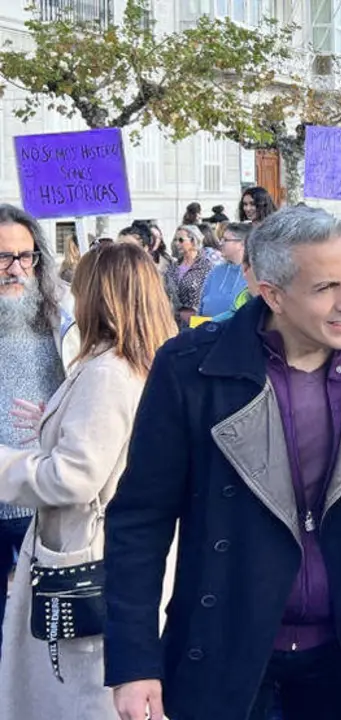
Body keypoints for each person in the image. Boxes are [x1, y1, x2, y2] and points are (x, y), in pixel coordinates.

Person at [103, 207, 341, 720]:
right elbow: (140, 518)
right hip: (227, 651)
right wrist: (134, 661)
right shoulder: (191, 368)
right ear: (272, 294)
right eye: (324, 288)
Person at [0, 242, 175, 718]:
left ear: (97, 297)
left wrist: (5, 465)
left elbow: (75, 477)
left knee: (77, 697)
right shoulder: (139, 364)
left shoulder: (108, 371)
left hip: (86, 556)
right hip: (107, 554)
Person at [0, 204, 80, 664]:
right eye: (5, 258)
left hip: (42, 487)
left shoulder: (64, 310)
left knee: (42, 629)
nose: (17, 269)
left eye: (26, 257)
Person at [166, 224, 215, 327]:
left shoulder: (206, 266)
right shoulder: (173, 267)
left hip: (197, 322)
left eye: (180, 240)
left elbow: (210, 297)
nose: (176, 244)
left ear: (193, 240)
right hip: (174, 322)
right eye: (175, 240)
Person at [199, 223, 250, 318]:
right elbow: (201, 305)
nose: (220, 243)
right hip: (209, 329)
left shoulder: (253, 274)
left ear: (242, 243)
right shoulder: (216, 271)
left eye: (226, 240)